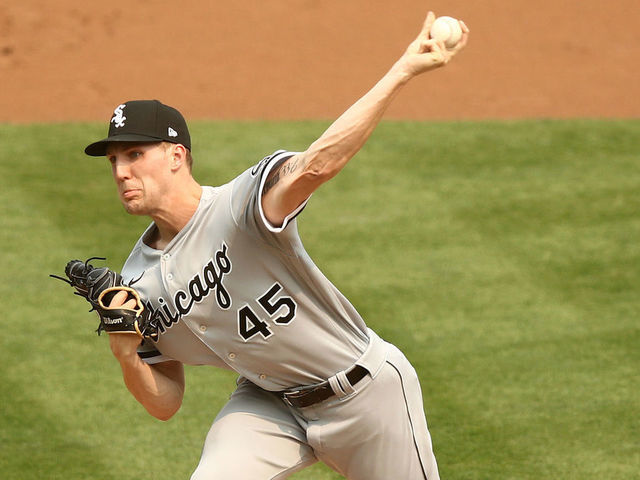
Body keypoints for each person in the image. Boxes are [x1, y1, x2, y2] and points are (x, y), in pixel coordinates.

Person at [84, 11, 469, 480]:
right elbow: (165, 403)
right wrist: (125, 353)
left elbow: (315, 167)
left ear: (176, 156)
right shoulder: (136, 282)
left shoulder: (242, 205)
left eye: (134, 154)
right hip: (268, 404)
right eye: (114, 160)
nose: (121, 171)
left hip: (366, 393)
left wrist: (402, 70)